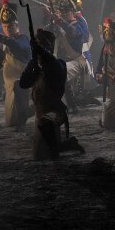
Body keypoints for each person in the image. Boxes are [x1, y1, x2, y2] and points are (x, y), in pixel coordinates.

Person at [18, 29, 85, 160]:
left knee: (45, 123)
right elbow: (23, 83)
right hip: (40, 114)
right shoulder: (36, 66)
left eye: (41, 47)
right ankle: (67, 145)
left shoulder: (58, 64)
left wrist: (39, 50)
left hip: (55, 112)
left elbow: (50, 63)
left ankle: (58, 147)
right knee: (39, 155)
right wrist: (32, 64)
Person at [0, 0, 33, 129]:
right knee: (10, 122)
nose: (7, 29)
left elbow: (17, 46)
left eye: (10, 26)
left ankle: (24, 118)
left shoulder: (22, 38)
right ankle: (28, 112)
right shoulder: (5, 43)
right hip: (9, 85)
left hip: (25, 79)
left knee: (19, 85)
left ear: (16, 25)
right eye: (5, 26)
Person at [45, 0, 92, 114]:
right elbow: (46, 33)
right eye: (62, 11)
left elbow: (75, 33)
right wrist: (51, 19)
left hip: (80, 60)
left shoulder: (80, 22)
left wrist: (60, 22)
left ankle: (71, 105)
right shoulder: (60, 23)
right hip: (65, 60)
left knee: (60, 73)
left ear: (72, 10)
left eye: (66, 11)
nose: (64, 14)